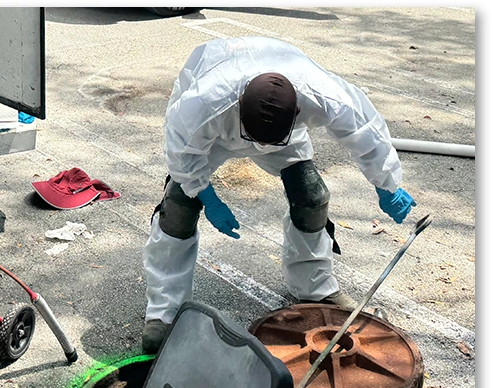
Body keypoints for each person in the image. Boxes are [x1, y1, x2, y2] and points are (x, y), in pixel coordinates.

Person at [141, 36, 417, 353]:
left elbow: (366, 132)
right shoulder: (202, 103)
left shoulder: (324, 95)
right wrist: (210, 200)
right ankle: (165, 314)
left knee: (312, 196)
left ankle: (314, 288)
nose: (257, 151)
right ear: (239, 100)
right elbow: (183, 159)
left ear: (299, 109)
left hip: (284, 137)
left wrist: (387, 185)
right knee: (178, 205)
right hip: (219, 132)